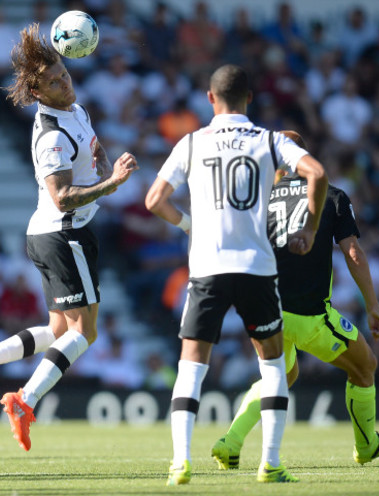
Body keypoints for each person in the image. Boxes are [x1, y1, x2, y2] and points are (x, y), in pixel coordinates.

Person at [0, 23, 138, 451]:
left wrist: (105, 163)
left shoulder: (76, 111)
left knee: (59, 330)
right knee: (84, 333)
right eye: (54, 82)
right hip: (64, 233)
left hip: (56, 235)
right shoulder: (50, 135)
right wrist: (113, 183)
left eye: (65, 74)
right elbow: (62, 197)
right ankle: (25, 400)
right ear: (38, 94)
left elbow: (92, 152)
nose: (64, 83)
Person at [144, 65, 328, 485]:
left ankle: (180, 463)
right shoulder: (269, 139)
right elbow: (316, 173)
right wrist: (311, 229)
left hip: (206, 268)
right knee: (274, 368)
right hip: (257, 268)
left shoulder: (190, 142)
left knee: (190, 368)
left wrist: (189, 225)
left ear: (210, 98)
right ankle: (271, 463)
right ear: (250, 97)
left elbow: (155, 200)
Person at [210, 130, 379, 472]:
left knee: (281, 376)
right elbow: (353, 252)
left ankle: (230, 442)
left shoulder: (259, 199)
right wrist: (372, 305)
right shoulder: (332, 196)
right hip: (310, 315)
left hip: (264, 311)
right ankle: (367, 445)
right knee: (365, 368)